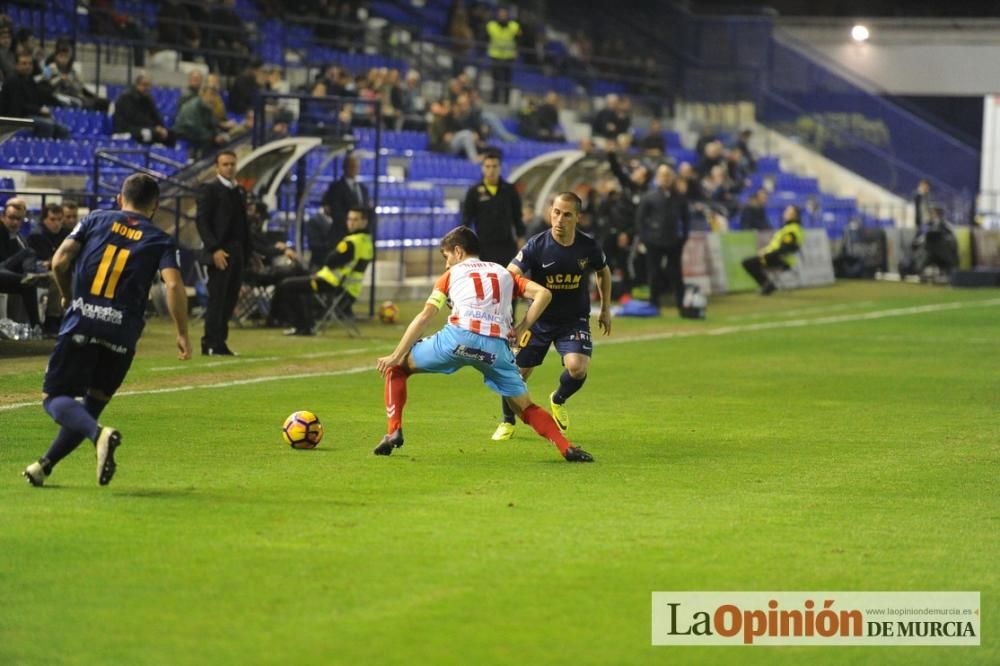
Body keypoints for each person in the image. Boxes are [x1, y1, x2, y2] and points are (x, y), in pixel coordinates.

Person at [21, 174, 191, 487]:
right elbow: (174, 284)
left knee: (53, 397)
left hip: (83, 322)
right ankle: (45, 466)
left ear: (119, 199)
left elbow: (59, 261)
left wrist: (68, 295)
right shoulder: (161, 238)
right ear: (154, 207)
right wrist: (182, 333)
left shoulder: (96, 219)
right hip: (123, 334)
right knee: (93, 404)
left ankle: (99, 435)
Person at [375, 225, 593, 462]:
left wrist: (396, 355)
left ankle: (393, 431)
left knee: (397, 368)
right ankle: (566, 447)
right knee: (525, 407)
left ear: (458, 251)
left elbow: (426, 315)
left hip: (457, 339)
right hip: (495, 349)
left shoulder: (450, 275)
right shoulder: (504, 273)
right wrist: (521, 329)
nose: (446, 264)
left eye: (447, 257)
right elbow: (544, 294)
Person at [492, 191, 612, 441]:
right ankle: (507, 421)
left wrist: (606, 308)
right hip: (539, 321)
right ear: (550, 212)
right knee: (516, 373)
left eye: (567, 215)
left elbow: (603, 272)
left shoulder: (587, 246)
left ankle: (558, 399)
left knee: (577, 368)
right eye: (556, 212)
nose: (559, 219)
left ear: (577, 217)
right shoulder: (537, 245)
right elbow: (510, 273)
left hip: (574, 319)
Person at [268, 207, 372, 336]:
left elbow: (329, 260)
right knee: (300, 281)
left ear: (364, 222)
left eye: (355, 220)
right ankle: (306, 323)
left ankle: (301, 326)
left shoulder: (351, 242)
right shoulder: (367, 241)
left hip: (331, 283)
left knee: (286, 285)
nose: (351, 223)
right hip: (349, 288)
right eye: (349, 219)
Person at [196, 150, 250, 355]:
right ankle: (210, 342)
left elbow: (243, 226)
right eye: (225, 164)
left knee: (230, 300)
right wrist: (214, 249)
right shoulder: (209, 189)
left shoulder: (239, 191)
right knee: (217, 299)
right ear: (217, 167)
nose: (229, 168)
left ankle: (220, 342)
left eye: (232, 164)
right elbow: (202, 222)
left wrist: (250, 252)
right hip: (220, 252)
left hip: (237, 252)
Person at [635, 164, 690, 311]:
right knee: (654, 272)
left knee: (676, 272)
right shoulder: (649, 197)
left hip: (673, 241)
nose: (665, 178)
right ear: (657, 178)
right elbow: (640, 220)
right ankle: (654, 302)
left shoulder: (679, 197)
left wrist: (683, 237)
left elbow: (686, 219)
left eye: (668, 175)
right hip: (654, 241)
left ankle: (681, 302)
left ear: (672, 178)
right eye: (662, 175)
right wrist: (645, 238)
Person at [461, 150, 524, 266]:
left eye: (494, 166)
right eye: (488, 166)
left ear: (500, 168)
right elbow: (466, 219)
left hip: (507, 246)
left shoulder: (510, 190)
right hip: (483, 246)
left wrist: (521, 238)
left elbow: (517, 217)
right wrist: (464, 242)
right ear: (482, 168)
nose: (491, 170)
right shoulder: (474, 192)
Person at [316, 153, 368, 267]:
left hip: (358, 238)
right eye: (352, 166)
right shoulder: (336, 187)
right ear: (345, 168)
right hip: (341, 234)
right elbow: (336, 210)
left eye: (357, 167)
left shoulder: (363, 189)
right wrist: (351, 225)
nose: (355, 169)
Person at [741, 204, 804, 296]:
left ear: (795, 215)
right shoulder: (788, 228)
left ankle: (767, 285)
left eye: (788, 211)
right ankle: (767, 285)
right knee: (751, 261)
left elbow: (785, 248)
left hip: (780, 259)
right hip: (775, 257)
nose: (785, 213)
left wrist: (765, 255)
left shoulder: (792, 229)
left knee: (748, 262)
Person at [485, 6, 520, 104]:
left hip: (509, 57)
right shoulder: (491, 26)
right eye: (501, 14)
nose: (503, 16)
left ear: (508, 16)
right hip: (495, 55)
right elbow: (484, 38)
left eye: (505, 15)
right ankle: (494, 100)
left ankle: (506, 102)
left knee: (507, 81)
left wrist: (517, 51)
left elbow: (519, 40)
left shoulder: (515, 26)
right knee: (495, 80)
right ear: (497, 15)